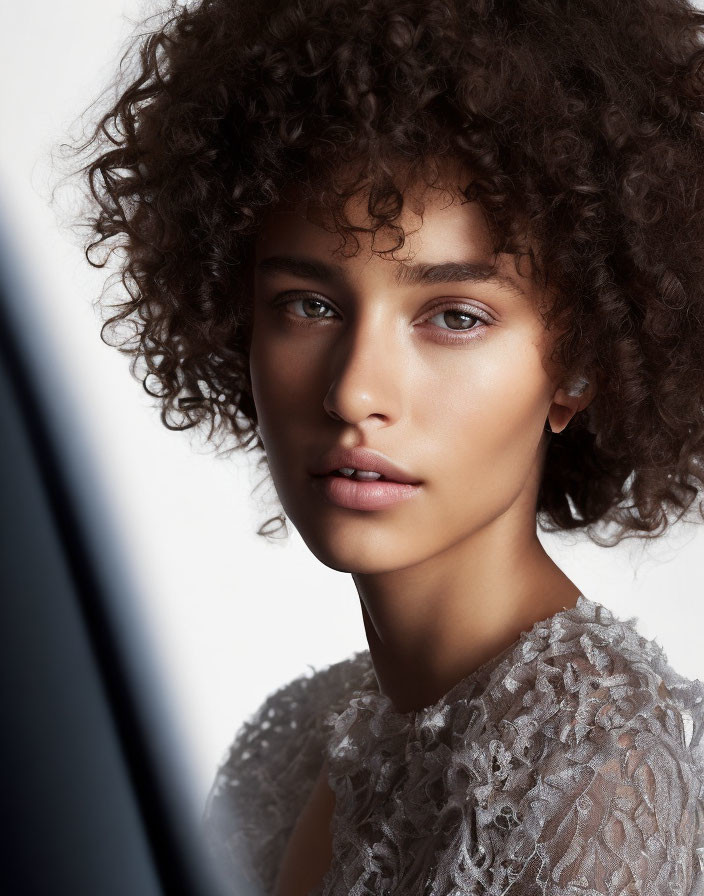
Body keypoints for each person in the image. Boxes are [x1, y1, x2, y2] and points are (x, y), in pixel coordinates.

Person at [69, 0, 704, 892]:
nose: (355, 391)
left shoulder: (596, 777)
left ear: (579, 365)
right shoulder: (295, 742)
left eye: (454, 317)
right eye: (310, 305)